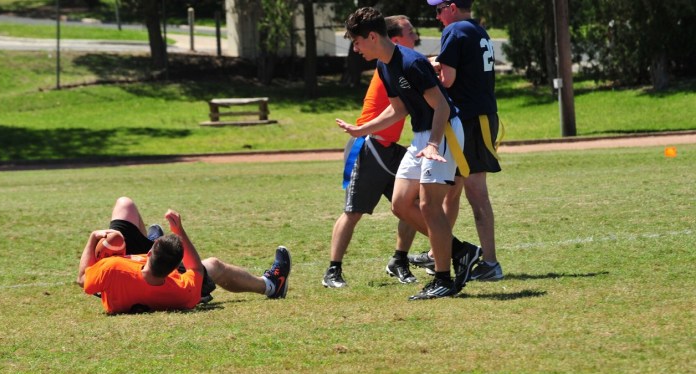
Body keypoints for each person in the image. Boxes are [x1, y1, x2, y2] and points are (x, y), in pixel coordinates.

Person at [336, 7, 481, 300]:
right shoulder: (383, 65)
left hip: (443, 132)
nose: (355, 48)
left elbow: (441, 106)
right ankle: (461, 252)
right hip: (421, 135)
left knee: (428, 206)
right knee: (401, 204)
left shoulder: (411, 62)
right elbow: (398, 108)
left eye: (357, 41)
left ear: (373, 36)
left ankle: (443, 279)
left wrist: (433, 143)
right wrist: (363, 130)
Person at [323, 15, 421, 289]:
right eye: (411, 32)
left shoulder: (402, 62)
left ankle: (399, 260)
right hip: (369, 145)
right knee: (354, 211)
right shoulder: (390, 65)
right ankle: (332, 270)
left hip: (391, 149)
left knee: (413, 204)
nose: (416, 37)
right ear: (397, 39)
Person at [410, 0, 503, 281]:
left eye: (438, 10)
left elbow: (448, 80)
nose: (436, 16)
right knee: (451, 189)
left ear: (451, 7)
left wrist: (426, 68)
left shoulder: (454, 30)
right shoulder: (476, 28)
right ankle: (442, 250)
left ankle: (490, 263)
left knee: (476, 192)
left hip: (472, 119)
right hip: (477, 116)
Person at [77, 196, 291, 313]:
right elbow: (196, 268)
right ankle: (271, 285)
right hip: (148, 274)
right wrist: (179, 231)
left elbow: (82, 279)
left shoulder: (112, 269)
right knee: (214, 265)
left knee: (123, 208)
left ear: (150, 251)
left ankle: (152, 236)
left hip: (121, 282)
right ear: (176, 269)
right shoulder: (182, 290)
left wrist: (93, 237)